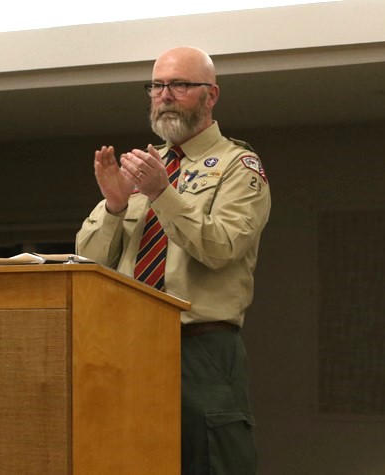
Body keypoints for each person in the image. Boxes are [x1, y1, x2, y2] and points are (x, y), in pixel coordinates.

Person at [76, 46, 270, 475]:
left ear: (211, 95)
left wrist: (164, 194)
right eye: (157, 85)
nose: (165, 95)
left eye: (180, 85)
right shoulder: (143, 166)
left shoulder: (239, 167)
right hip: (129, 345)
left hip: (200, 344)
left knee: (210, 460)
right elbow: (87, 264)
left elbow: (220, 248)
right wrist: (113, 204)